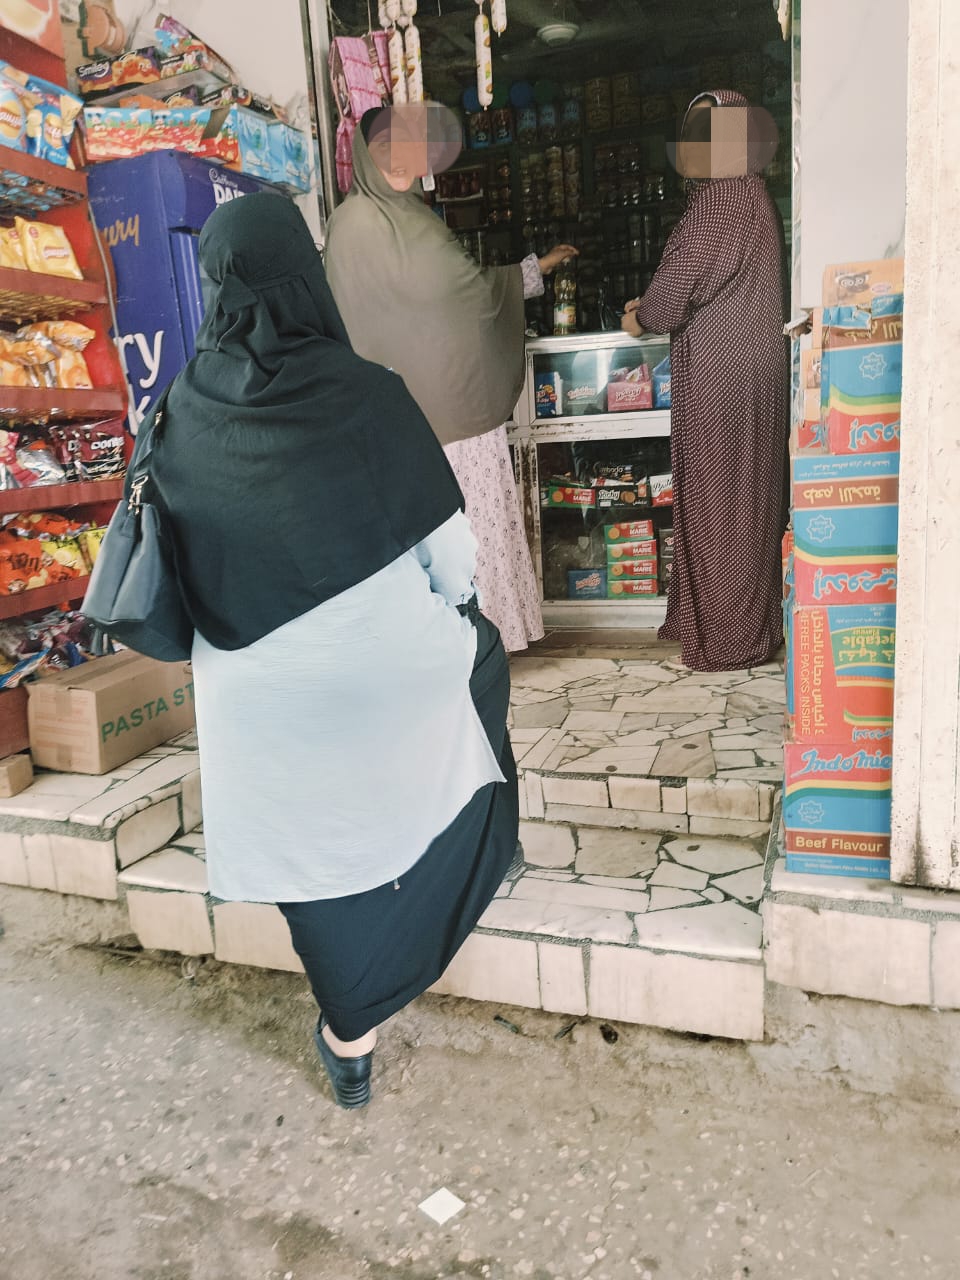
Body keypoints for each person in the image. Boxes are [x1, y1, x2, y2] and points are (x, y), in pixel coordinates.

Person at [142, 193, 519, 1109]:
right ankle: (474, 862)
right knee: (477, 666)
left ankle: (351, 1035)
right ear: (307, 279)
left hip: (252, 705)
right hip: (383, 674)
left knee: (308, 823)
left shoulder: (176, 415)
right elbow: (451, 561)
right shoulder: (369, 394)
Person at [325, 105, 577, 653]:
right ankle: (440, 651)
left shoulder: (420, 222)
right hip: (397, 425)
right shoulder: (347, 229)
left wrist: (534, 270)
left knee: (473, 533)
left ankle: (489, 643)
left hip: (457, 412)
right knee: (431, 543)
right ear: (365, 156)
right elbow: (344, 324)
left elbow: (470, 292)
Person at [621, 89, 787, 672]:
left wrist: (639, 315)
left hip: (724, 381)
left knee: (723, 504)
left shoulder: (723, 199)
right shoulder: (749, 193)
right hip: (746, 375)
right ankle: (741, 628)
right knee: (746, 502)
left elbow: (672, 294)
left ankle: (729, 639)